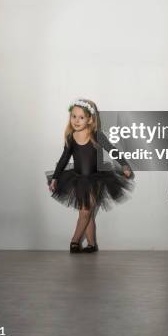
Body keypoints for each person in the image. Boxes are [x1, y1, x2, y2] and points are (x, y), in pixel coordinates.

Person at [46, 98, 134, 253]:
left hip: (96, 179)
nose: (76, 120)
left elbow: (111, 149)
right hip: (78, 179)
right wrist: (55, 178)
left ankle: (74, 241)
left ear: (90, 119)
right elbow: (63, 159)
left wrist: (124, 164)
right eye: (74, 116)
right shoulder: (70, 137)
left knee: (85, 211)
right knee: (88, 213)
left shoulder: (96, 135)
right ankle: (92, 244)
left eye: (81, 117)